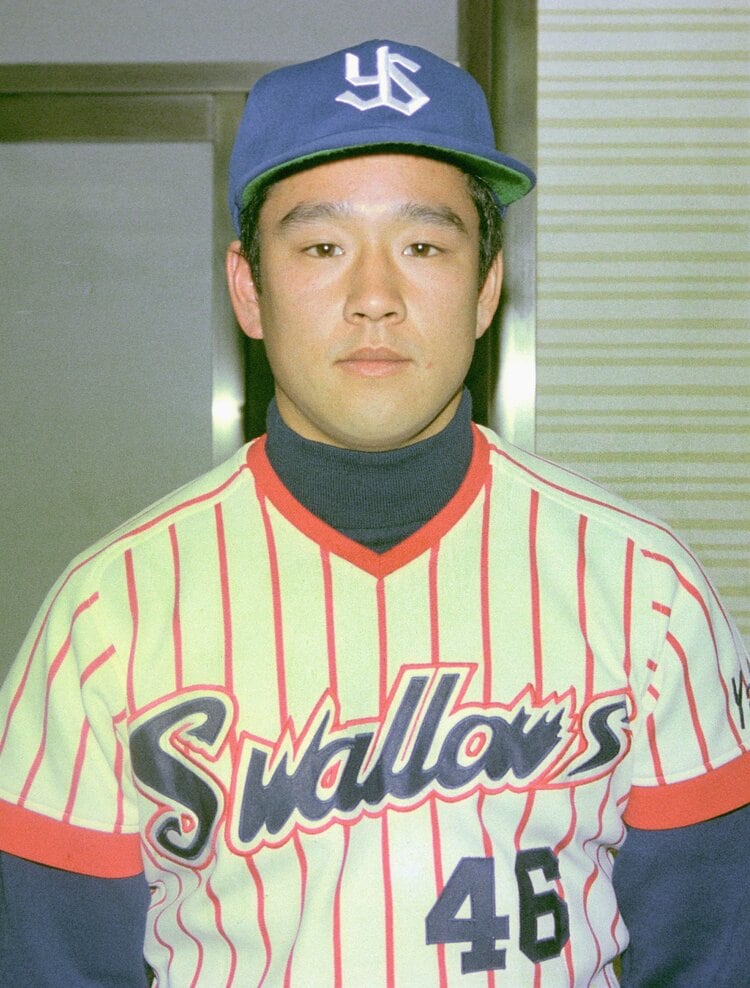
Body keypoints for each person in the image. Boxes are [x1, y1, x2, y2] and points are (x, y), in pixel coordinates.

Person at [0, 38, 748, 987]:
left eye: (424, 246)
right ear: (248, 289)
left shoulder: (648, 591)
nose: (375, 299)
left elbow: (712, 955)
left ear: (486, 287)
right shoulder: (106, 616)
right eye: (322, 247)